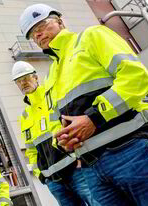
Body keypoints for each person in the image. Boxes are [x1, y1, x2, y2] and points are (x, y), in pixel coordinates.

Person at [20, 3, 148, 205]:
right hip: (91, 168)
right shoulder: (51, 76)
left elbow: (137, 77)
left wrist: (95, 117)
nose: (38, 35)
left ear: (60, 21)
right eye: (33, 34)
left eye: (41, 27)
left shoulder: (91, 37)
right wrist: (61, 140)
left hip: (133, 150)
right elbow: (53, 121)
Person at [12, 61, 96, 206]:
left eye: (26, 78)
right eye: (19, 81)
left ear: (36, 78)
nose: (23, 83)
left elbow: (74, 126)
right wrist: (41, 174)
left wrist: (81, 158)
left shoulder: (53, 97)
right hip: (53, 181)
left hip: (77, 170)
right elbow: (31, 150)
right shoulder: (25, 116)